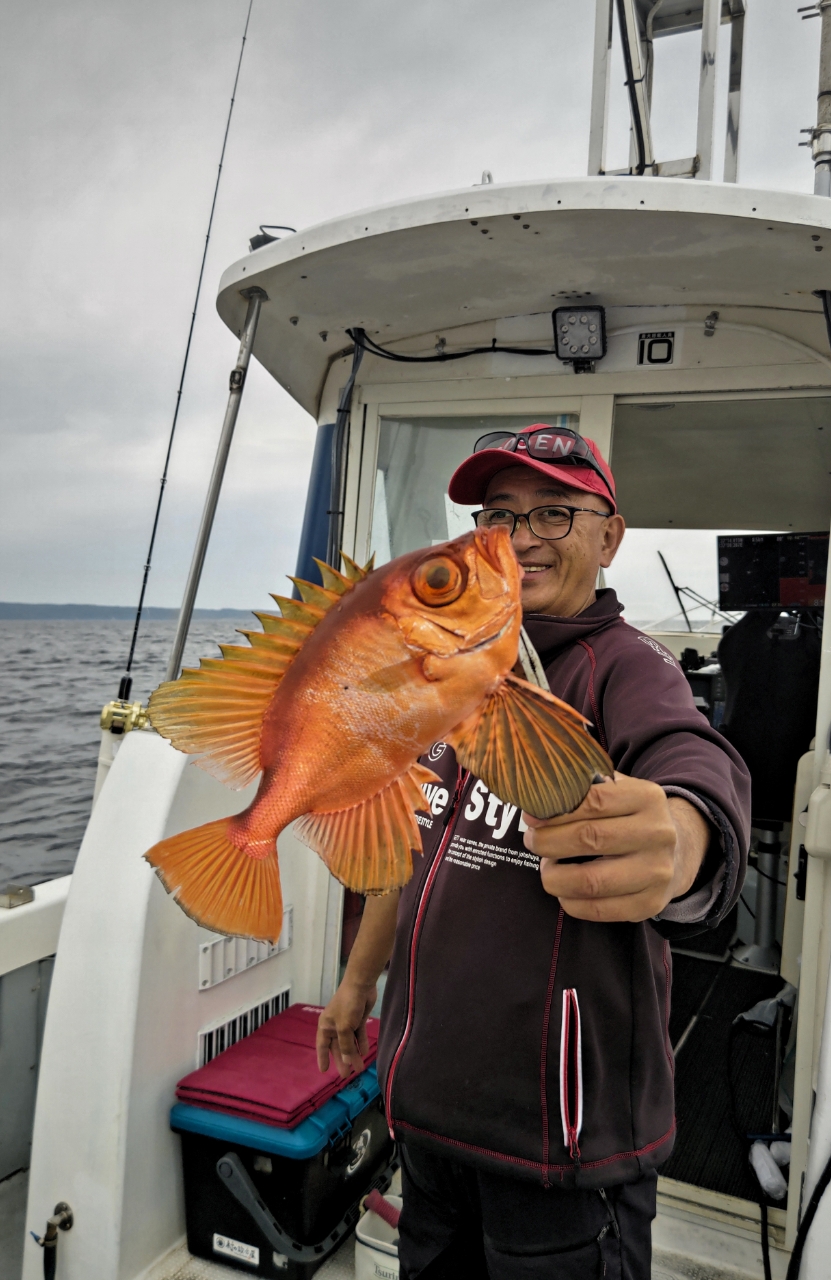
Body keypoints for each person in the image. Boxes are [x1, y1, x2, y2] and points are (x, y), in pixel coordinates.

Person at [317, 425, 749, 1279]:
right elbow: (406, 849)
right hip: (428, 1112)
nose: (520, 538)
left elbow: (694, 763)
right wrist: (359, 984)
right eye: (499, 515)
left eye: (555, 512)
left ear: (608, 535)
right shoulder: (446, 671)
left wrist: (686, 834)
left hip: (562, 1145)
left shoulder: (630, 669)